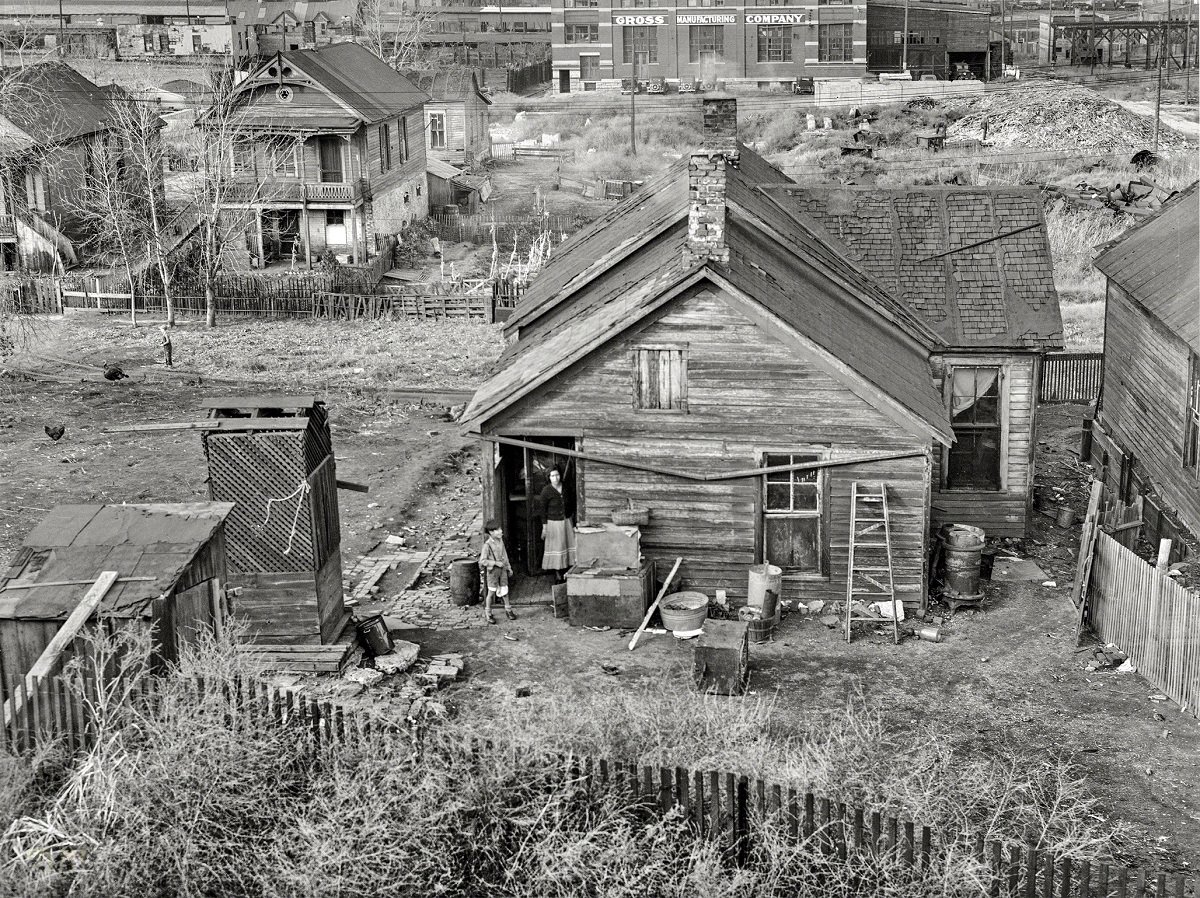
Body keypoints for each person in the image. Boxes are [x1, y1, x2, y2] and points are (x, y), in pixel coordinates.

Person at [538, 467, 575, 583]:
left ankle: (568, 571)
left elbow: (573, 503)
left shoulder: (566, 488)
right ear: (549, 477)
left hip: (567, 521)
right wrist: (545, 527)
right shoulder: (546, 491)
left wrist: (572, 518)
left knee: (568, 544)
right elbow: (542, 510)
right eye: (552, 476)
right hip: (554, 523)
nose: (555, 478)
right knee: (557, 547)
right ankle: (558, 573)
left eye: (557, 475)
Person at [479, 520, 515, 624]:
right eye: (498, 530)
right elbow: (482, 561)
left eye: (500, 529)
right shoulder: (487, 545)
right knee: (491, 593)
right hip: (493, 573)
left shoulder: (501, 541)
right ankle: (488, 613)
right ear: (491, 532)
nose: (501, 531)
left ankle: (508, 610)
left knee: (505, 591)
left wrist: (509, 567)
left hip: (502, 571)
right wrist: (494, 563)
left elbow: (505, 555)